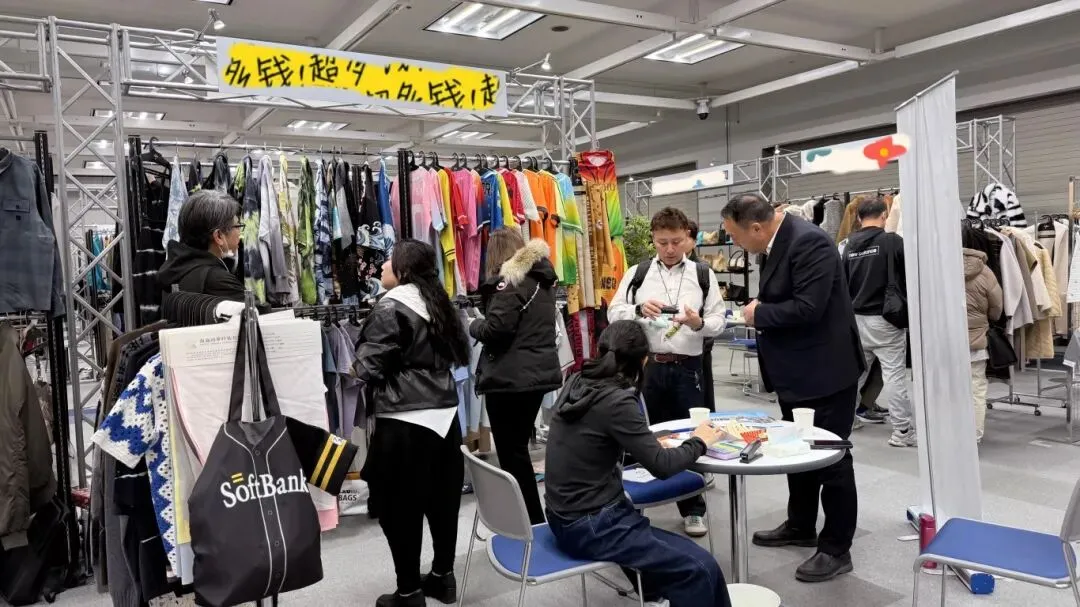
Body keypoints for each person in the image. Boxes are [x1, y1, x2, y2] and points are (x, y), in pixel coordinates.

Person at [721, 193, 863, 583]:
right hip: (798, 372)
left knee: (831, 458)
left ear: (755, 227)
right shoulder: (776, 243)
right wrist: (761, 306)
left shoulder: (808, 241)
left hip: (826, 371)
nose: (734, 243)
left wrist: (759, 313)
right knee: (798, 448)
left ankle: (836, 548)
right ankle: (800, 524)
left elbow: (809, 308)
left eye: (734, 236)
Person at [545, 320, 732, 607]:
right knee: (701, 569)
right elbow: (662, 466)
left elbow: (595, 437)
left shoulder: (577, 382)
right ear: (644, 360)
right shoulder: (617, 400)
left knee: (678, 561)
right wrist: (700, 441)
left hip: (562, 516)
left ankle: (656, 596)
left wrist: (647, 442)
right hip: (593, 525)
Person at [354, 239, 471, 607]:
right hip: (446, 416)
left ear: (402, 270)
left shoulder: (391, 306)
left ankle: (408, 592)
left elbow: (369, 365)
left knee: (399, 508)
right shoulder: (441, 302)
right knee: (443, 501)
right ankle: (442, 577)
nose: (382, 268)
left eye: (388, 262)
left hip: (403, 418)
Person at [608, 207, 726, 538]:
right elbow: (613, 312)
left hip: (688, 368)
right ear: (653, 239)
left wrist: (698, 323)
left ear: (687, 237)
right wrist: (637, 309)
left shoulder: (703, 274)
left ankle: (693, 508)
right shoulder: (638, 273)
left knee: (690, 434)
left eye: (676, 241)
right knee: (640, 435)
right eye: (662, 243)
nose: (670, 249)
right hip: (647, 368)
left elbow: (719, 320)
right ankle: (633, 506)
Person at [469, 228, 562, 525]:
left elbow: (496, 329)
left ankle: (530, 521)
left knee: (512, 455)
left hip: (510, 379)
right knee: (518, 450)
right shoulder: (542, 280)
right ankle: (531, 518)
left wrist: (472, 325)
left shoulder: (509, 282)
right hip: (535, 375)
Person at [842, 196, 915, 446]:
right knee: (894, 375)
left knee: (855, 374)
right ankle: (902, 431)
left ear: (858, 217)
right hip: (886, 320)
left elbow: (842, 284)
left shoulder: (848, 246)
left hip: (856, 320)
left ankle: (847, 419)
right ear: (884, 215)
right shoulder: (892, 242)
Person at [158, 189, 245, 299]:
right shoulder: (219, 283)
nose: (240, 233)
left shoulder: (174, 270)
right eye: (238, 226)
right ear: (218, 236)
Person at [962, 228, 1003, 445]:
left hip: (947, 342)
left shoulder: (940, 269)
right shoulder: (986, 272)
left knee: (948, 389)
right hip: (976, 341)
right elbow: (997, 308)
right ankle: (974, 435)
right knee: (976, 388)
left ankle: (951, 432)